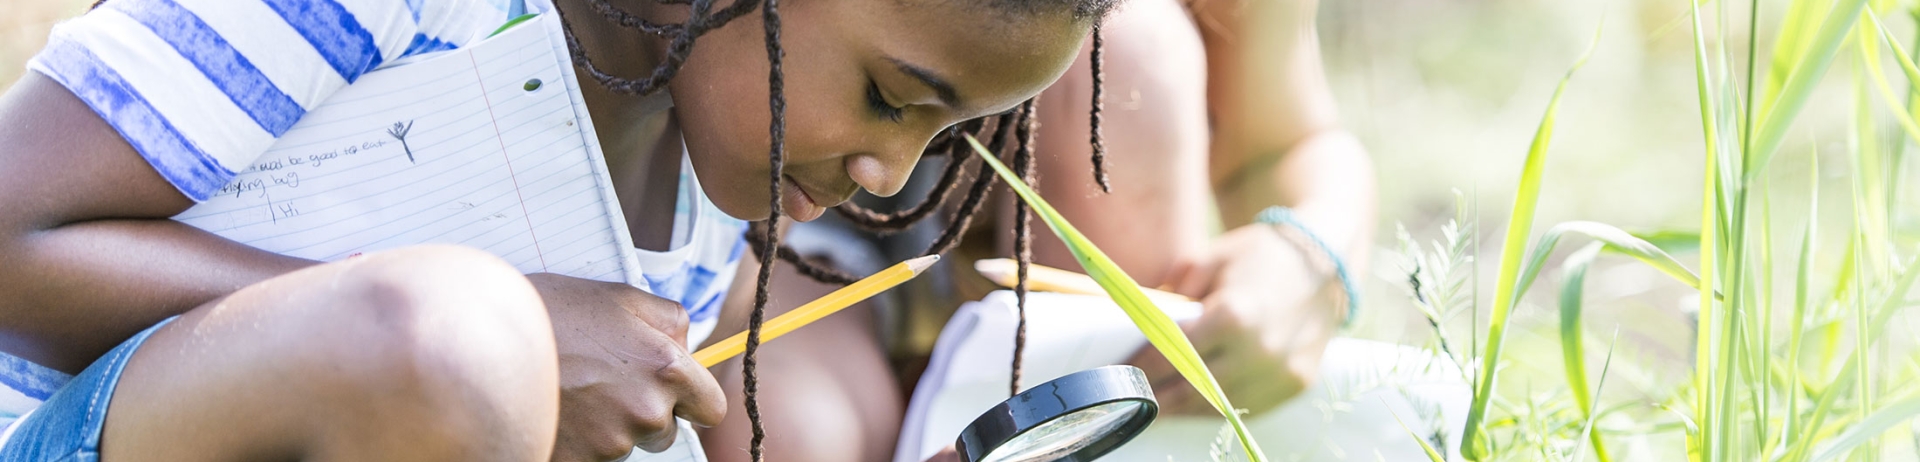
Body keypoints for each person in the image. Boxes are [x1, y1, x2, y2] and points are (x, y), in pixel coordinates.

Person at [0, 0, 1115, 460]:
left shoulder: (709, 176)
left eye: (949, 132)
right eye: (887, 95)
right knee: (456, 339)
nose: (889, 171)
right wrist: (523, 334)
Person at [695, 0, 1376, 460]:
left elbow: (1286, 141)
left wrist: (1309, 256)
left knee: (1131, 50)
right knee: (789, 429)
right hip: (775, 226)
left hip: (1030, 237)